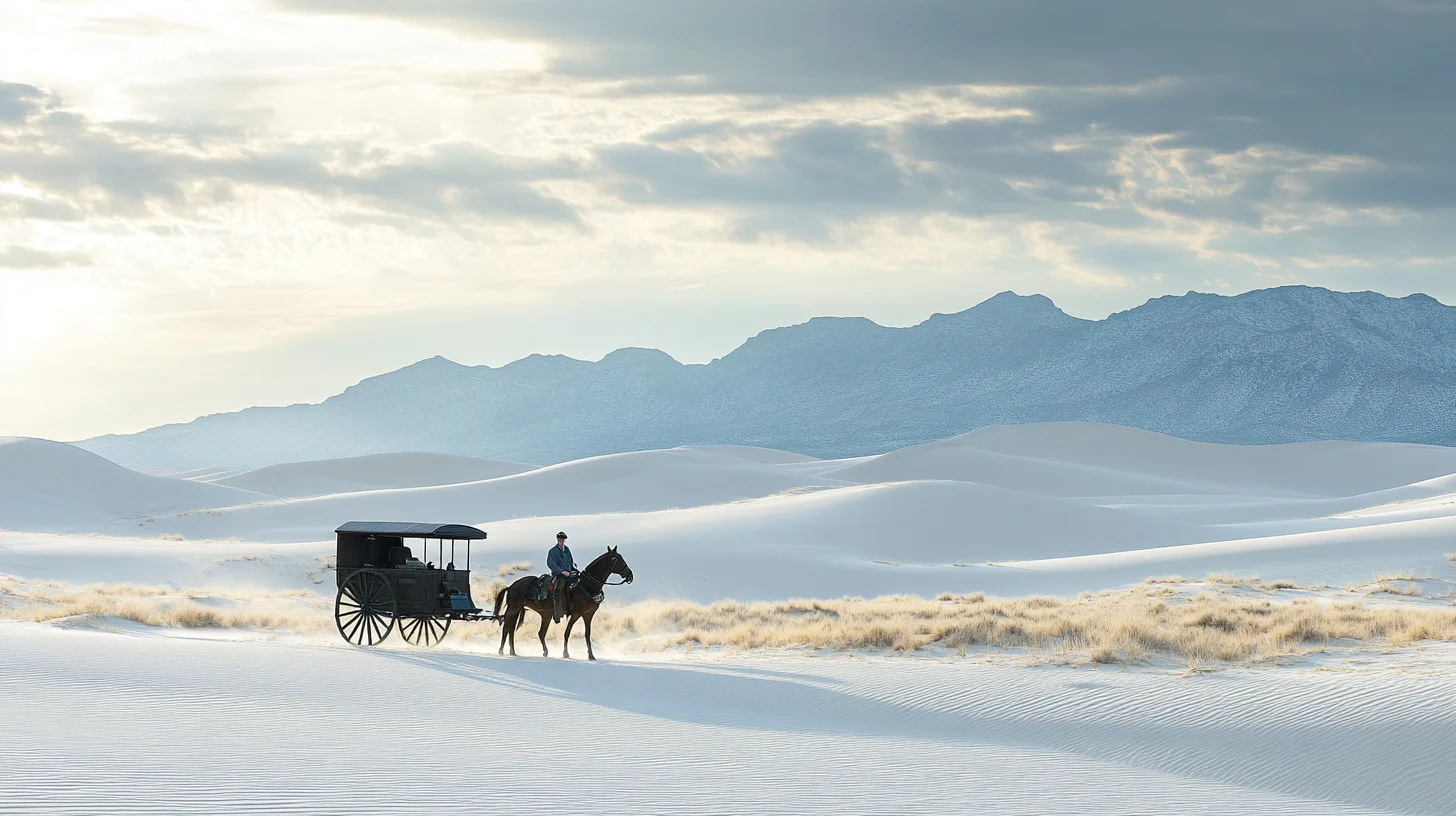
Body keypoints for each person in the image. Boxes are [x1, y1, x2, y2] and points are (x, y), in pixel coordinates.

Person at [547, 531, 576, 623]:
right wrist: (562, 572)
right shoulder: (552, 551)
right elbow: (551, 563)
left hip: (569, 573)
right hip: (558, 575)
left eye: (563, 540)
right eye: (560, 540)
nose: (562, 541)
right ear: (557, 540)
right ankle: (557, 613)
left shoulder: (567, 550)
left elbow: (570, 562)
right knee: (558, 589)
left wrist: (573, 570)